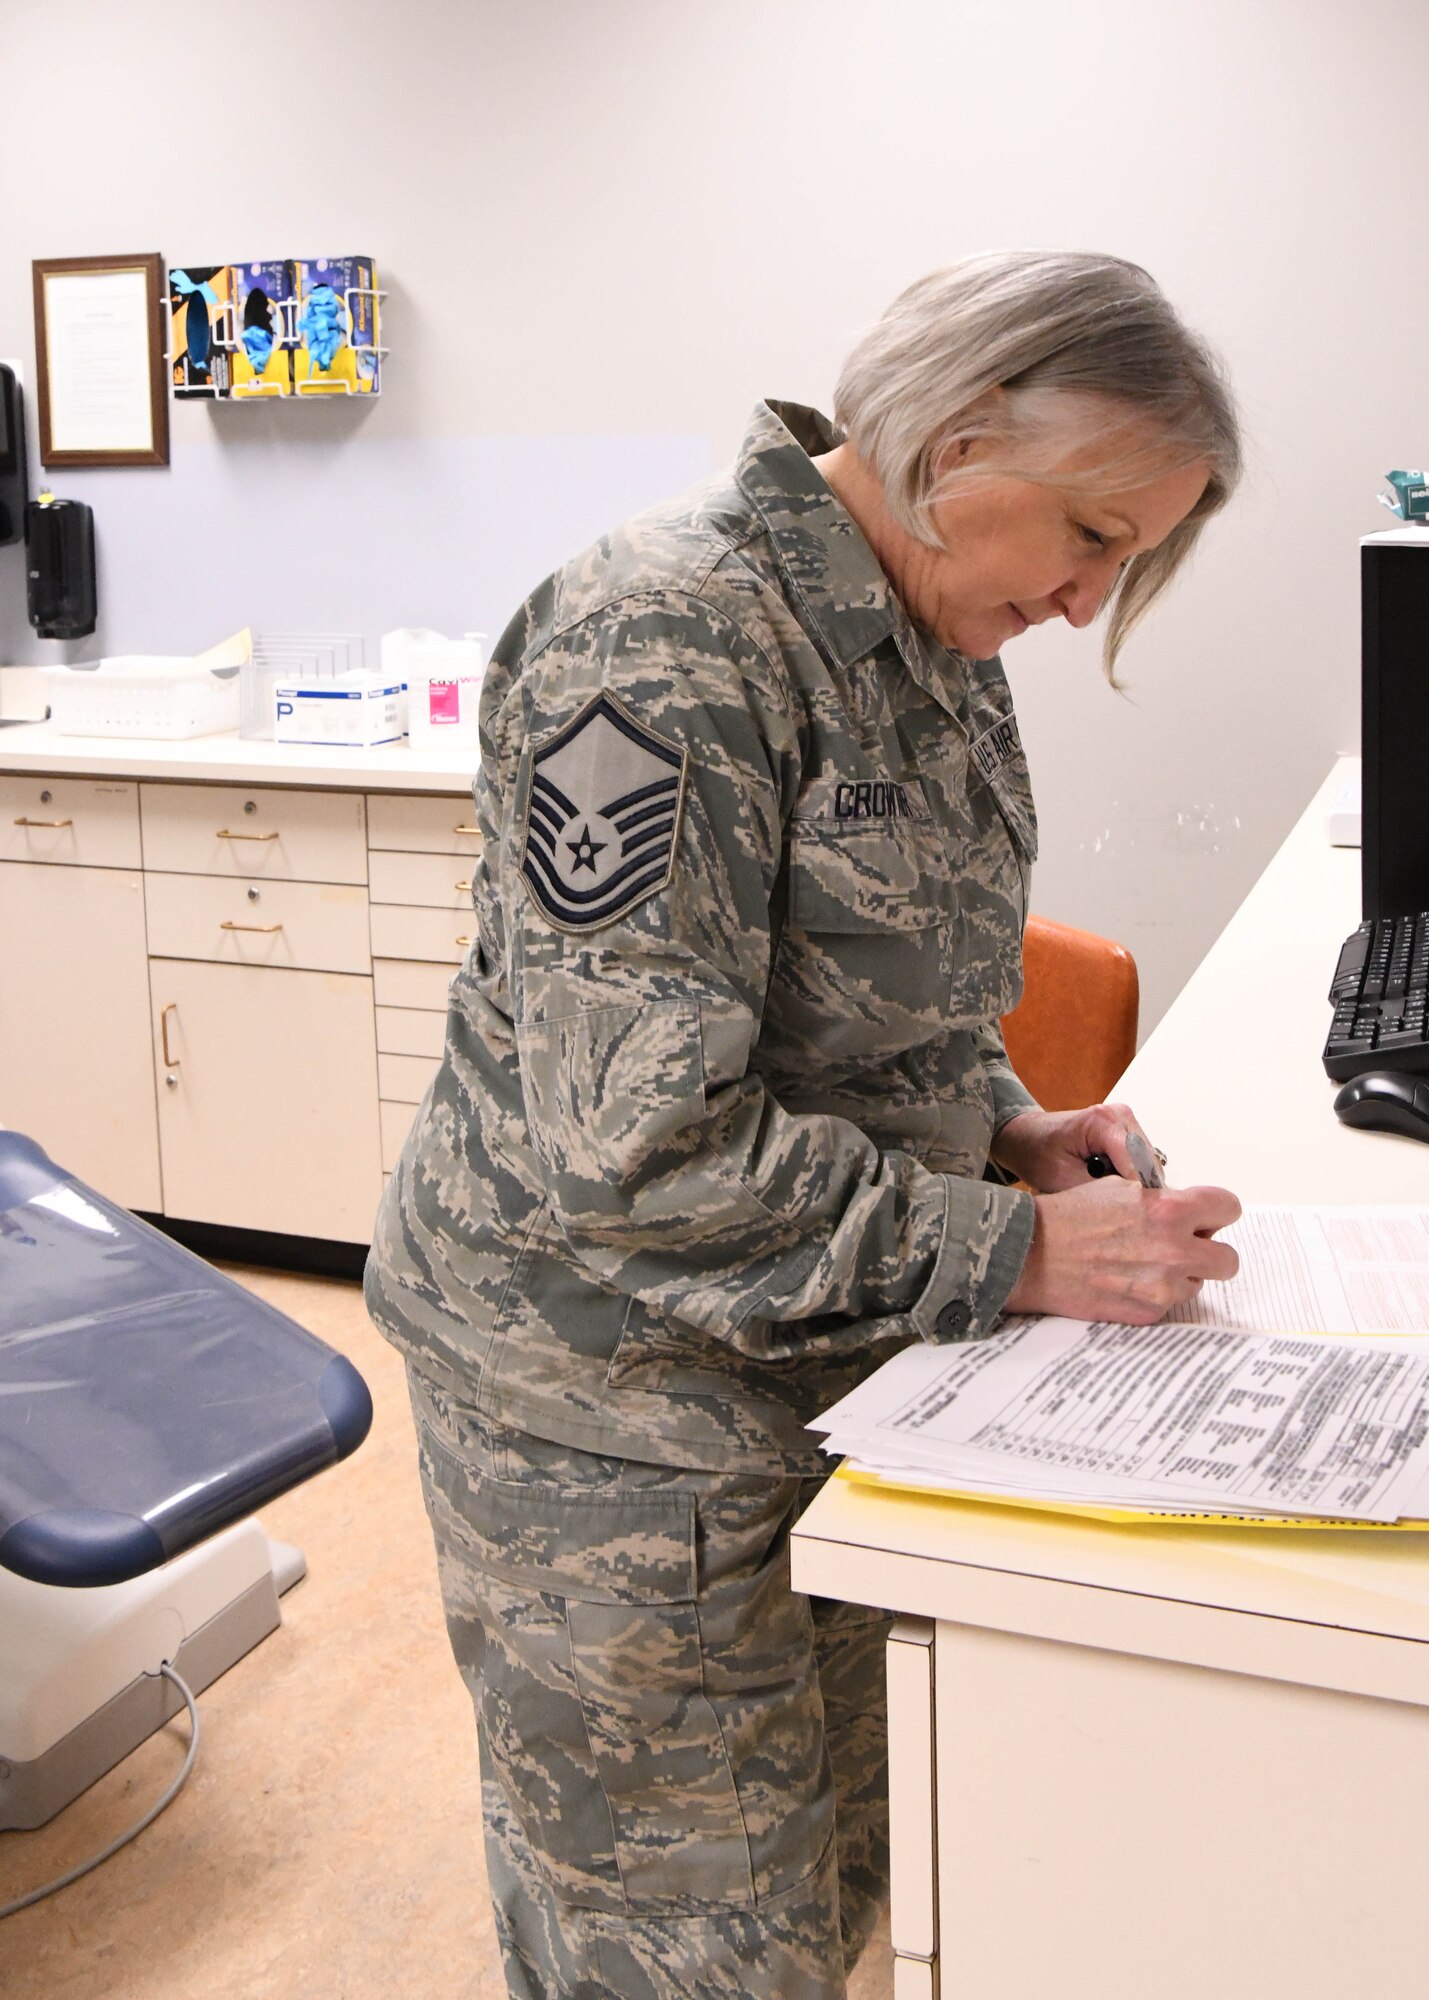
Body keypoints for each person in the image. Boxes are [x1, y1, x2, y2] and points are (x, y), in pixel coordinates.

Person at [366, 249, 1244, 2000]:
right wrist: (1014, 1251)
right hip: (607, 1404)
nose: (1085, 602)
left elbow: (881, 985)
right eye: (1087, 537)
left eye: (1122, 564)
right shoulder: (661, 642)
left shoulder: (928, 625)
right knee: (684, 1940)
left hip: (820, 1355)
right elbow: (637, 1145)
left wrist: (1006, 1127)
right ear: (958, 436)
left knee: (834, 1861)